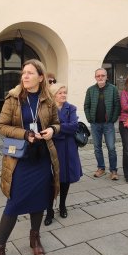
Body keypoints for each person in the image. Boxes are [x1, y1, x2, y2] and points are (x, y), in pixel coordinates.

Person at [0, 59, 60, 255]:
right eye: (24, 73)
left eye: (30, 73)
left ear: (41, 77)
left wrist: (52, 130)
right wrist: (24, 134)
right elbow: (2, 126)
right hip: (20, 159)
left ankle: (34, 238)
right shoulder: (13, 98)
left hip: (42, 158)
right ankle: (0, 248)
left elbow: (57, 123)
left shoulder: (48, 99)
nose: (25, 76)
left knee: (39, 201)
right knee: (14, 204)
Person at [44, 83, 82, 226]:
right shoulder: (47, 108)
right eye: (60, 93)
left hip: (68, 148)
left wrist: (55, 129)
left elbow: (74, 126)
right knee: (50, 180)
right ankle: (49, 211)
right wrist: (59, 130)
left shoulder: (71, 108)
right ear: (53, 94)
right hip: (52, 147)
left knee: (65, 179)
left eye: (65, 92)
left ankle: (62, 205)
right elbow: (44, 126)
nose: (63, 95)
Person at [84, 68, 121, 180]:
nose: (100, 77)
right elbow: (86, 106)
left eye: (102, 75)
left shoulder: (113, 89)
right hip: (95, 124)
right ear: (95, 77)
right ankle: (101, 168)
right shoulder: (90, 90)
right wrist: (90, 119)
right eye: (98, 76)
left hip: (108, 124)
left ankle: (113, 170)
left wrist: (113, 119)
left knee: (111, 147)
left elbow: (117, 105)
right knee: (97, 148)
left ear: (106, 77)